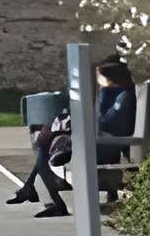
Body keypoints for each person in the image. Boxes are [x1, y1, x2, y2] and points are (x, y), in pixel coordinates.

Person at [8, 57, 137, 216]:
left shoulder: (122, 96)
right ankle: (34, 187)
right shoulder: (115, 93)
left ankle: (45, 195)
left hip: (104, 145)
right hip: (100, 140)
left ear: (109, 77)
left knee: (46, 142)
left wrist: (84, 118)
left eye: (99, 77)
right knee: (49, 140)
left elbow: (107, 121)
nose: (97, 81)